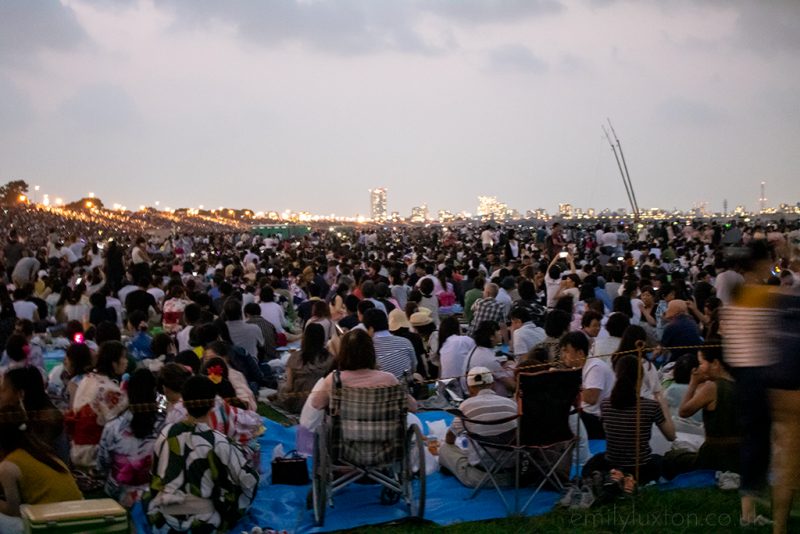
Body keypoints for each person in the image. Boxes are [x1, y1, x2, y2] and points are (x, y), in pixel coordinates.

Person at [145, 376, 259, 533]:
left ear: (183, 402)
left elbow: (155, 475)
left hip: (165, 520)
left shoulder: (166, 433)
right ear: (213, 404)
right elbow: (249, 480)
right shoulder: (218, 442)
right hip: (204, 523)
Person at [582, 355, 676, 484]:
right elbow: (671, 436)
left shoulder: (606, 404)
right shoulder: (650, 406)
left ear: (616, 375)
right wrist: (663, 404)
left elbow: (609, 433)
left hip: (612, 465)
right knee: (665, 460)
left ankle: (616, 478)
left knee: (595, 461)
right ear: (641, 378)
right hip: (642, 469)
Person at [0, 406, 83, 534]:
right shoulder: (41, 451)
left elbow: (13, 511)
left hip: (54, 524)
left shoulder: (8, 466)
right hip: (81, 517)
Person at [439, 366, 518, 488]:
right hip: (514, 475)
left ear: (470, 389)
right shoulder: (511, 403)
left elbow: (450, 439)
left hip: (481, 477)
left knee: (445, 449)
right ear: (492, 385)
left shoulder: (466, 406)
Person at [96, 368, 164, 507]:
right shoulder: (166, 426)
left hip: (118, 494)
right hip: (156, 494)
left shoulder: (113, 427)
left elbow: (102, 464)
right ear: (155, 393)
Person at [671, 342, 740, 474]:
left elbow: (684, 412)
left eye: (701, 363)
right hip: (740, 454)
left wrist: (693, 383)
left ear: (715, 363)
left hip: (715, 456)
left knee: (672, 458)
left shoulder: (712, 387)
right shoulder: (740, 384)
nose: (699, 368)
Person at [68, 340, 129, 468]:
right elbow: (123, 423)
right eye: (123, 357)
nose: (126, 361)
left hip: (77, 447)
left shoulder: (88, 378)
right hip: (94, 452)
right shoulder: (109, 390)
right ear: (114, 363)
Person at [560, 332, 614, 440]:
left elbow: (591, 398)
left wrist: (565, 381)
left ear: (580, 353)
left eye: (566, 351)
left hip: (597, 420)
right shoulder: (579, 367)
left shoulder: (595, 367)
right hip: (587, 415)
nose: (563, 356)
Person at [272, 323, 332, 414]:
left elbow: (288, 386)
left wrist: (281, 389)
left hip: (297, 403)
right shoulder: (329, 358)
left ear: (305, 338)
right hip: (321, 404)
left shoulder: (295, 357)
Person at [464, 320, 515, 396]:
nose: (501, 333)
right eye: (498, 331)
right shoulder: (489, 359)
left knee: (510, 364)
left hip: (471, 390)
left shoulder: (476, 349)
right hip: (491, 398)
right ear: (491, 337)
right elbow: (511, 385)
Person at [363, 309, 416, 381]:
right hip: (406, 388)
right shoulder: (405, 342)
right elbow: (413, 368)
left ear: (370, 328)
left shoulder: (368, 348)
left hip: (382, 389)